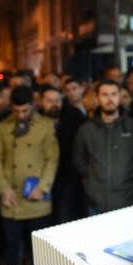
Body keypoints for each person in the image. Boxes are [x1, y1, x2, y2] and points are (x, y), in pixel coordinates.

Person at [0, 86, 58, 265]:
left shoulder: (45, 125)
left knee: (36, 251)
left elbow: (52, 159)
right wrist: (3, 188)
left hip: (36, 199)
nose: (20, 115)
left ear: (33, 106)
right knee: (11, 250)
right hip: (11, 199)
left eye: (25, 111)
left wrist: (43, 187)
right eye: (16, 111)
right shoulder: (3, 126)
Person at [73, 81, 133, 215]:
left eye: (114, 94)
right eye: (105, 95)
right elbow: (78, 160)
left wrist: (129, 177)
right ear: (97, 98)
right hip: (95, 203)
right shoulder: (86, 130)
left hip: (129, 200)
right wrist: (91, 181)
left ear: (119, 96)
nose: (109, 99)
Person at [39, 85, 86, 224]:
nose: (54, 104)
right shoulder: (35, 120)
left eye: (57, 100)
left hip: (68, 180)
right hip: (40, 179)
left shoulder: (75, 117)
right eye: (49, 101)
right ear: (41, 102)